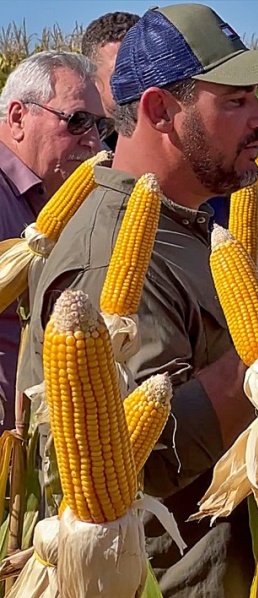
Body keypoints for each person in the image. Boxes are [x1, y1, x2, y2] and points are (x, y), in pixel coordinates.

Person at [16, 4, 258, 598]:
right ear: (159, 111)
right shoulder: (110, 256)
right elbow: (126, 463)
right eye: (236, 100)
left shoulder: (183, 226)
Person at [0, 50, 106, 431]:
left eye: (100, 127)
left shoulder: (64, 197)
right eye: (77, 121)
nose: (94, 142)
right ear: (17, 118)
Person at [80, 10, 140, 150]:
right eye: (123, 73)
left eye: (145, 70)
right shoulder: (83, 147)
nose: (139, 83)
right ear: (92, 81)